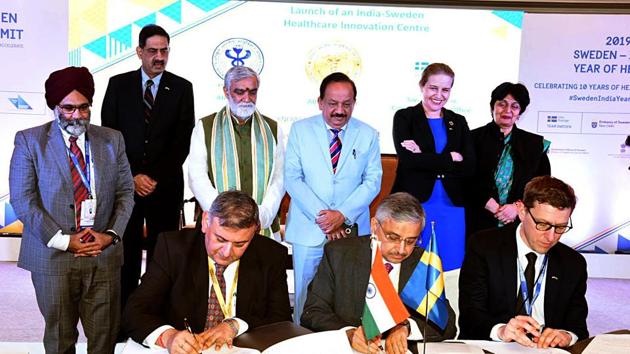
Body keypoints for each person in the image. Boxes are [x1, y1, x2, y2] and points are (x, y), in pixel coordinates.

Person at [9, 66, 135, 353]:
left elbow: (126, 193)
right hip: (53, 256)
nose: (77, 116)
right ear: (55, 106)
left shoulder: (112, 139)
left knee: (104, 340)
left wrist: (111, 235)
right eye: (68, 108)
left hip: (102, 254)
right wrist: (65, 241)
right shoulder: (30, 141)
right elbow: (23, 200)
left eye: (83, 108)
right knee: (59, 340)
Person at [122, 190, 292, 353]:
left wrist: (235, 325)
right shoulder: (173, 248)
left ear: (255, 231)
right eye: (220, 239)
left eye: (240, 244)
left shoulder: (271, 255)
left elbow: (281, 319)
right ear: (205, 222)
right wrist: (168, 337)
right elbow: (135, 311)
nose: (227, 252)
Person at [101, 24, 195, 311]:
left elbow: (182, 141)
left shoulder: (181, 88)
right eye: (153, 51)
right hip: (125, 187)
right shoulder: (118, 84)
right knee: (124, 253)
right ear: (139, 52)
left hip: (164, 187)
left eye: (164, 50)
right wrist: (132, 176)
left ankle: (155, 316)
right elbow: (108, 136)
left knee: (162, 255)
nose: (159, 56)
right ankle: (122, 316)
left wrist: (152, 177)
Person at [301, 192, 457, 354]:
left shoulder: (423, 262)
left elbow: (446, 324)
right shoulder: (338, 254)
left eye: (410, 241)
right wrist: (349, 333)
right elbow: (312, 312)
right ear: (374, 226)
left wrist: (406, 328)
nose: (401, 249)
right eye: (393, 237)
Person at [285, 72, 382, 324]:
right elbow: (293, 178)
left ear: (354, 103)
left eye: (346, 104)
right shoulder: (300, 130)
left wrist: (342, 216)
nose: (340, 110)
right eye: (332, 103)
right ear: (320, 102)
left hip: (350, 231)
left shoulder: (368, 134)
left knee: (348, 297)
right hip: (310, 230)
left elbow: (372, 182)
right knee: (305, 296)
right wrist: (326, 218)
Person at [459, 176, 588, 349]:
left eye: (560, 227)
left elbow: (578, 327)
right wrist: (501, 330)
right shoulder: (484, 246)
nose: (551, 237)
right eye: (542, 224)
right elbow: (470, 315)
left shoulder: (573, 263)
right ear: (522, 212)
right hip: (493, 347)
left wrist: (566, 336)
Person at [391, 63, 474, 271]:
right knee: (413, 268)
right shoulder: (405, 117)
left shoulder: (459, 121)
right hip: (415, 205)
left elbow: (469, 166)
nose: (439, 95)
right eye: (433, 88)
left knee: (451, 269)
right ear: (422, 86)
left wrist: (423, 156)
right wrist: (450, 158)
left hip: (453, 207)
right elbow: (408, 161)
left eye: (445, 89)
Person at [187, 66, 284, 239]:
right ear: (226, 91)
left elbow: (279, 178)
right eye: (239, 92)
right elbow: (197, 177)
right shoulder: (206, 127)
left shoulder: (273, 128)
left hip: (262, 224)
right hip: (220, 225)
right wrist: (224, 214)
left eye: (252, 92)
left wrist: (263, 214)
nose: (247, 98)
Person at [466, 82, 551, 237]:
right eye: (502, 104)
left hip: (518, 223)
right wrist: (488, 203)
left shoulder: (534, 144)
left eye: (515, 106)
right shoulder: (472, 139)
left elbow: (542, 186)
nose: (507, 111)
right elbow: (463, 179)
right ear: (492, 107)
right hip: (477, 220)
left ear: (520, 112)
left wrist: (517, 207)